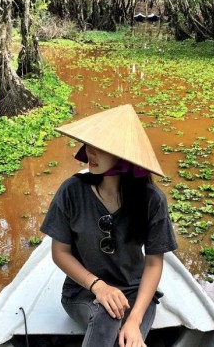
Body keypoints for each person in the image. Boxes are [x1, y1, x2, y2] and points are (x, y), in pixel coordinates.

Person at [40, 104, 177, 347]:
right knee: (107, 316)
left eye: (101, 148)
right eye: (90, 144)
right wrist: (99, 286)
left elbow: (154, 262)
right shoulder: (72, 191)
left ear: (124, 155)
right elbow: (60, 253)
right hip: (83, 290)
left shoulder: (152, 200)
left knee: (127, 337)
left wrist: (135, 320)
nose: (90, 152)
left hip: (135, 293)